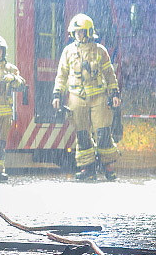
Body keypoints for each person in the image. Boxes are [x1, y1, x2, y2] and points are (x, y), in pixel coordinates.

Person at [52, 14, 121, 182]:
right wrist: (57, 95)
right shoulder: (68, 52)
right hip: (76, 97)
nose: (78, 35)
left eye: (81, 32)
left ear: (89, 32)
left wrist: (114, 93)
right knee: (82, 134)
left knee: (103, 132)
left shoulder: (99, 51)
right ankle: (87, 168)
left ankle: (108, 166)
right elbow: (61, 75)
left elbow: (109, 74)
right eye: (75, 32)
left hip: (98, 97)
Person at [0, 33, 26, 182]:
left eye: (0, 50)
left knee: (2, 142)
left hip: (5, 113)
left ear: (4, 51)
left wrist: (13, 79)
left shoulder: (10, 69)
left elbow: (22, 85)